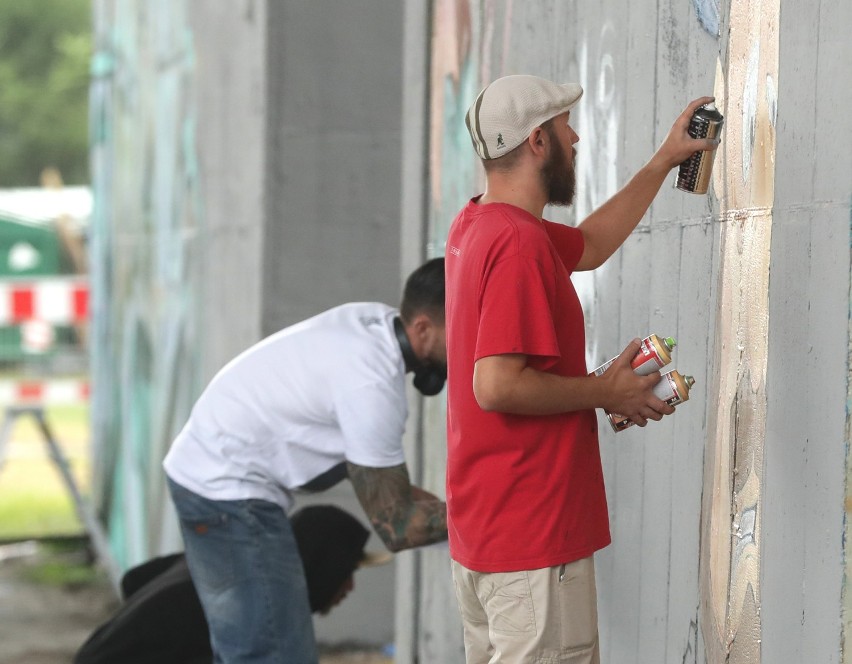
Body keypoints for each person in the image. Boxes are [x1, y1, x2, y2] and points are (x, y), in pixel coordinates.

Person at [444, 74, 719, 663]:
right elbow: (495, 386)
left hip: (491, 537)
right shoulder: (515, 243)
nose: (577, 138)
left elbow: (589, 246)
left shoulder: (479, 226)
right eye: (565, 126)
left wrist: (664, 161)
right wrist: (605, 391)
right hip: (531, 538)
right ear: (538, 143)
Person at [163, 258, 448, 664]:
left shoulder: (372, 324)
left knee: (257, 647)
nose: (480, 347)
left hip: (208, 470)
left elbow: (389, 491)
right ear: (422, 328)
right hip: (225, 491)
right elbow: (399, 524)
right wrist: (490, 518)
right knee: (274, 654)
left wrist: (451, 517)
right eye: (469, 331)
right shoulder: (371, 385)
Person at [74, 505, 388, 664]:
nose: (349, 588)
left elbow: (136, 579)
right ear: (322, 567)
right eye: (346, 573)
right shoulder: (258, 606)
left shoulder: (233, 560)